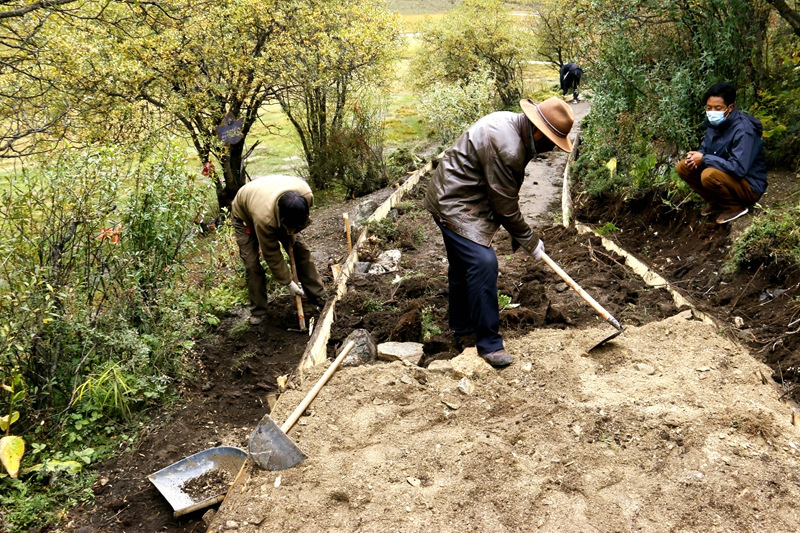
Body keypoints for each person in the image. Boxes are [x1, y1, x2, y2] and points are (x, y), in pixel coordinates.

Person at [423, 97, 575, 367]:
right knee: (483, 263)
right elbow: (504, 206)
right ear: (538, 130)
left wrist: (521, 236)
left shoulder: (512, 124)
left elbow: (499, 197)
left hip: (456, 193)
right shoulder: (509, 148)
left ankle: (462, 328)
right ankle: (489, 344)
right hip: (455, 204)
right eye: (551, 140)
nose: (551, 148)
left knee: (462, 266)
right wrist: (529, 239)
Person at [231, 175, 325, 325]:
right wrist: (288, 282)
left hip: (269, 197)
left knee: (301, 250)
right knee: (252, 264)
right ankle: (259, 310)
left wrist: (292, 232)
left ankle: (318, 295)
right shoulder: (265, 220)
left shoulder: (306, 195)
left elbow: (301, 221)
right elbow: (272, 254)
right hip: (245, 215)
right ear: (282, 218)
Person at [677, 82, 767, 224]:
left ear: (730, 108)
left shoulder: (744, 130)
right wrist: (696, 156)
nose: (712, 112)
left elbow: (738, 168)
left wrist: (705, 159)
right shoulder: (715, 124)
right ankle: (718, 202)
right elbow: (705, 149)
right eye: (709, 107)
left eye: (717, 108)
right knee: (683, 166)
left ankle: (734, 207)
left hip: (749, 186)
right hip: (725, 175)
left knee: (709, 175)